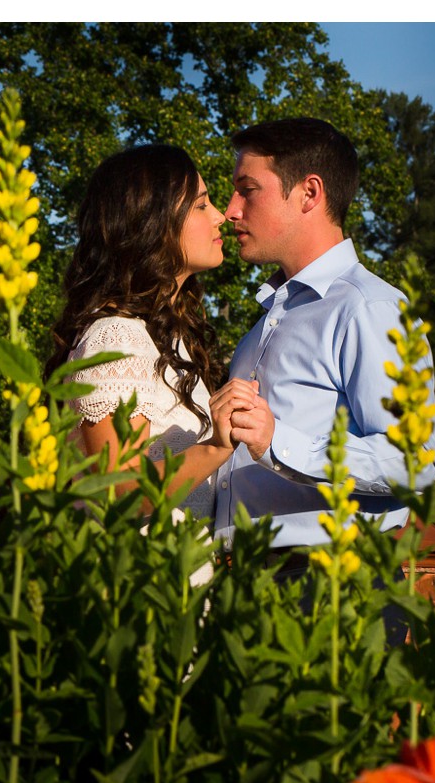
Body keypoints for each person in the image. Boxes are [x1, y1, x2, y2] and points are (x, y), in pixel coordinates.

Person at [216, 117, 435, 548]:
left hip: (329, 585)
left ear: (309, 193)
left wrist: (276, 441)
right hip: (246, 585)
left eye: (247, 190)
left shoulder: (370, 308)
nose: (231, 210)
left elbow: (414, 462)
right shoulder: (265, 322)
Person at [46, 145, 269, 525]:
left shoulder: (168, 341)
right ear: (152, 224)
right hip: (133, 579)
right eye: (201, 205)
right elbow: (119, 492)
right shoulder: (114, 337)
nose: (220, 217)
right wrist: (215, 447)